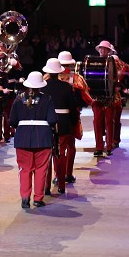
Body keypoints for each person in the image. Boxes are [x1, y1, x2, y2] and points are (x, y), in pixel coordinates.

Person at [8, 71, 57, 209]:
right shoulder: (47, 99)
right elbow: (52, 120)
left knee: (25, 169)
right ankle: (38, 198)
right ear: (41, 86)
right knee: (41, 169)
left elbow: (12, 121)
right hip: (43, 138)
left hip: (23, 138)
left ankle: (24, 197)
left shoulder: (18, 99)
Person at [41, 58, 80, 196]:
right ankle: (62, 186)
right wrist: (73, 123)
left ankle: (45, 187)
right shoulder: (66, 87)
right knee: (60, 155)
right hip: (63, 124)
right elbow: (73, 108)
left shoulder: (42, 86)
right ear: (59, 72)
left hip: (45, 124)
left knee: (46, 156)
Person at [57, 51, 93, 184]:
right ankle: (68, 174)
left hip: (54, 118)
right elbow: (88, 99)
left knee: (57, 147)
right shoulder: (78, 78)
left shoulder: (48, 78)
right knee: (70, 145)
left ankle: (58, 175)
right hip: (71, 116)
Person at [97, 41, 129, 150]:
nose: (102, 51)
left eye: (105, 49)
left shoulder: (117, 62)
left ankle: (114, 141)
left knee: (114, 119)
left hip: (114, 95)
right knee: (99, 121)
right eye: (101, 49)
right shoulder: (96, 63)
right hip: (100, 95)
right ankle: (102, 141)